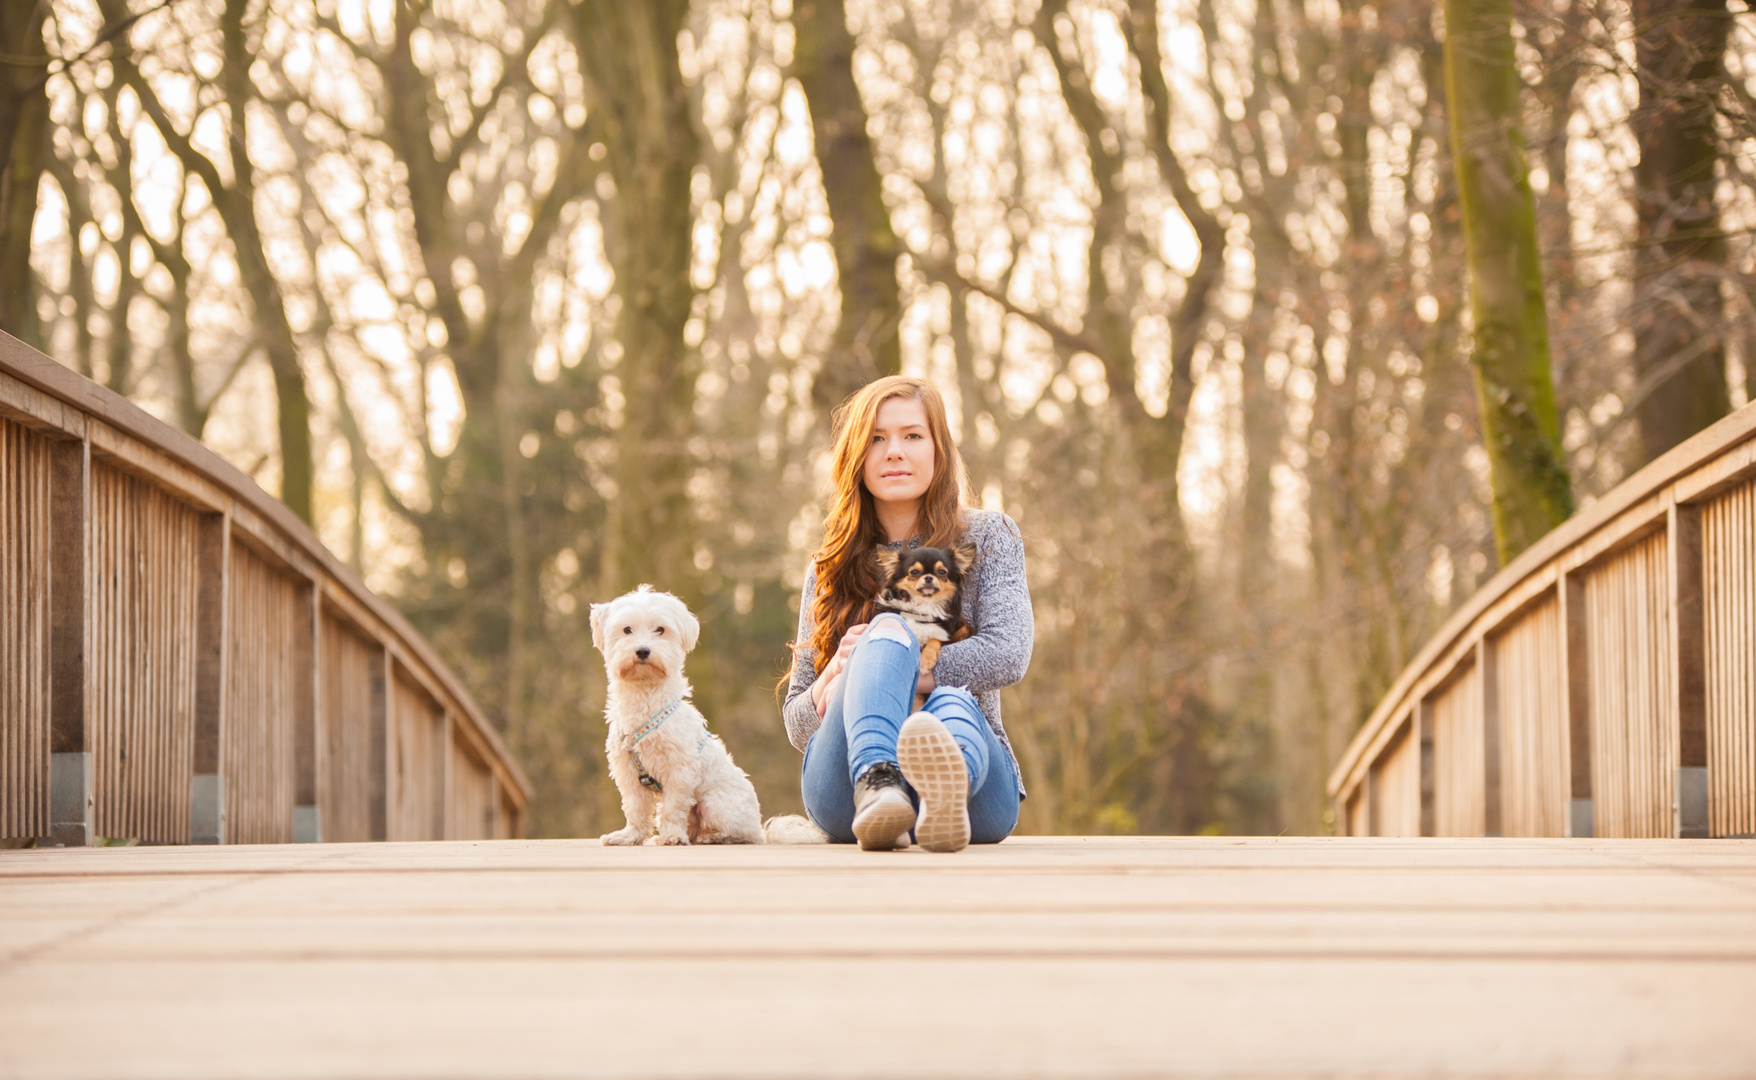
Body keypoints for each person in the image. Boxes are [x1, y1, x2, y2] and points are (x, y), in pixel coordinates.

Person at [781, 375, 1032, 852]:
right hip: (846, 799)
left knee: (947, 701)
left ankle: (942, 791)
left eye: (912, 435)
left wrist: (887, 664)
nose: (894, 451)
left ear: (940, 449)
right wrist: (836, 674)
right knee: (893, 631)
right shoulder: (829, 562)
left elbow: (1008, 653)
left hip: (980, 797)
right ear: (856, 455)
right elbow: (798, 726)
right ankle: (879, 780)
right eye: (876, 439)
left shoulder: (990, 536)